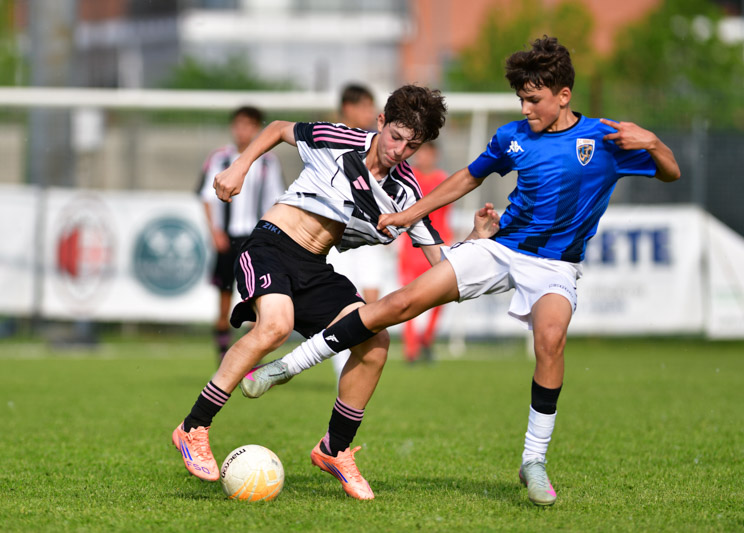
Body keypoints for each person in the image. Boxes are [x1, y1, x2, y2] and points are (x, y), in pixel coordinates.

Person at [241, 36, 681, 506]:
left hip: (555, 264)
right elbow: (468, 177)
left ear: (564, 96)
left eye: (533, 100)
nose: (525, 108)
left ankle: (533, 460)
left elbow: (670, 172)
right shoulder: (512, 137)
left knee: (551, 340)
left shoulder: (606, 139)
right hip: (501, 247)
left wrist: (653, 143)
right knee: (400, 303)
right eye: (521, 99)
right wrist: (411, 214)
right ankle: (287, 367)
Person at [171, 84, 499, 500]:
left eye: (411, 146)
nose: (399, 151)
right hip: (271, 244)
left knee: (374, 342)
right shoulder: (340, 139)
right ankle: (193, 427)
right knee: (276, 326)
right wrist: (240, 166)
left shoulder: (406, 193)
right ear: (381, 121)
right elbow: (278, 128)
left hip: (315, 267)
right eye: (396, 137)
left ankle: (334, 449)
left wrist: (476, 238)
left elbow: (442, 263)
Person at [197, 106, 285, 362]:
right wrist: (215, 232)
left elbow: (276, 199)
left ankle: (248, 359)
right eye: (238, 124)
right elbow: (206, 197)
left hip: (255, 240)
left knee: (257, 302)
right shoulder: (220, 158)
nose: (242, 130)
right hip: (227, 238)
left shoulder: (268, 162)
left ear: (257, 129)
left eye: (248, 125)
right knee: (224, 301)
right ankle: (222, 358)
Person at [327, 83, 383, 379]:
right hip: (339, 236)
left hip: (369, 235)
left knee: (373, 301)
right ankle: (342, 370)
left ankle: (361, 366)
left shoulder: (376, 142)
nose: (371, 113)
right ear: (348, 108)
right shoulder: (328, 139)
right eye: (365, 106)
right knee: (343, 304)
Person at [398, 141, 452, 363]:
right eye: (420, 153)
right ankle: (411, 349)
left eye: (427, 153)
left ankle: (427, 339)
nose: (423, 158)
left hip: (438, 245)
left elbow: (445, 216)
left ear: (435, 155)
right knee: (407, 298)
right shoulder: (407, 178)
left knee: (442, 297)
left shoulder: (443, 180)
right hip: (411, 249)